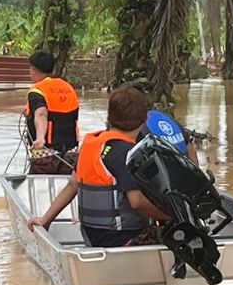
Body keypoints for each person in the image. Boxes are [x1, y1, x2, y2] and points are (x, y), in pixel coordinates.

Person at [28, 85, 170, 248]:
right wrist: (171, 214)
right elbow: (137, 202)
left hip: (90, 234)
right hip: (123, 236)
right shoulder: (128, 153)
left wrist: (45, 219)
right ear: (145, 120)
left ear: (109, 117)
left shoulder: (91, 145)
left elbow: (72, 185)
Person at [24, 50, 79, 172]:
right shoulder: (69, 88)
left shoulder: (37, 91)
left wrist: (40, 138)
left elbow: (41, 114)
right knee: (67, 184)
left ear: (33, 69)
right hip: (71, 152)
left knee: (39, 186)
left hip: (46, 154)